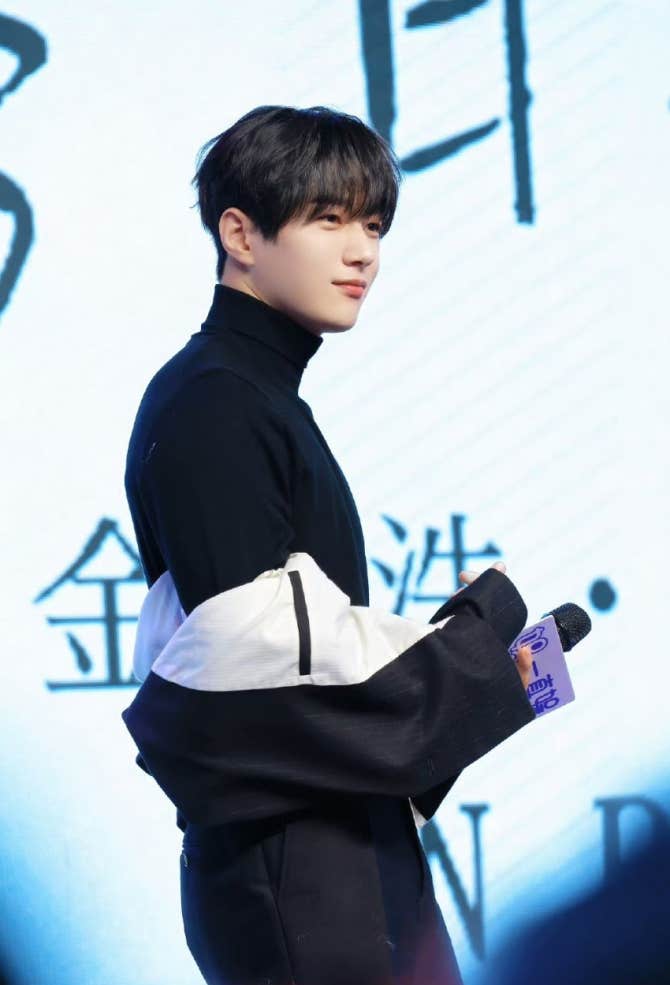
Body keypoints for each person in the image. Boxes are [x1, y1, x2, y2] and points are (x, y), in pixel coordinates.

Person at [121, 105, 535, 985]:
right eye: (329, 218)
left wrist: (481, 672)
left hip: (342, 860)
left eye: (374, 225)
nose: (362, 253)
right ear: (241, 234)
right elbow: (255, 674)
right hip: (300, 879)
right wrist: (468, 648)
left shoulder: (251, 396)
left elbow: (288, 676)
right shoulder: (214, 401)